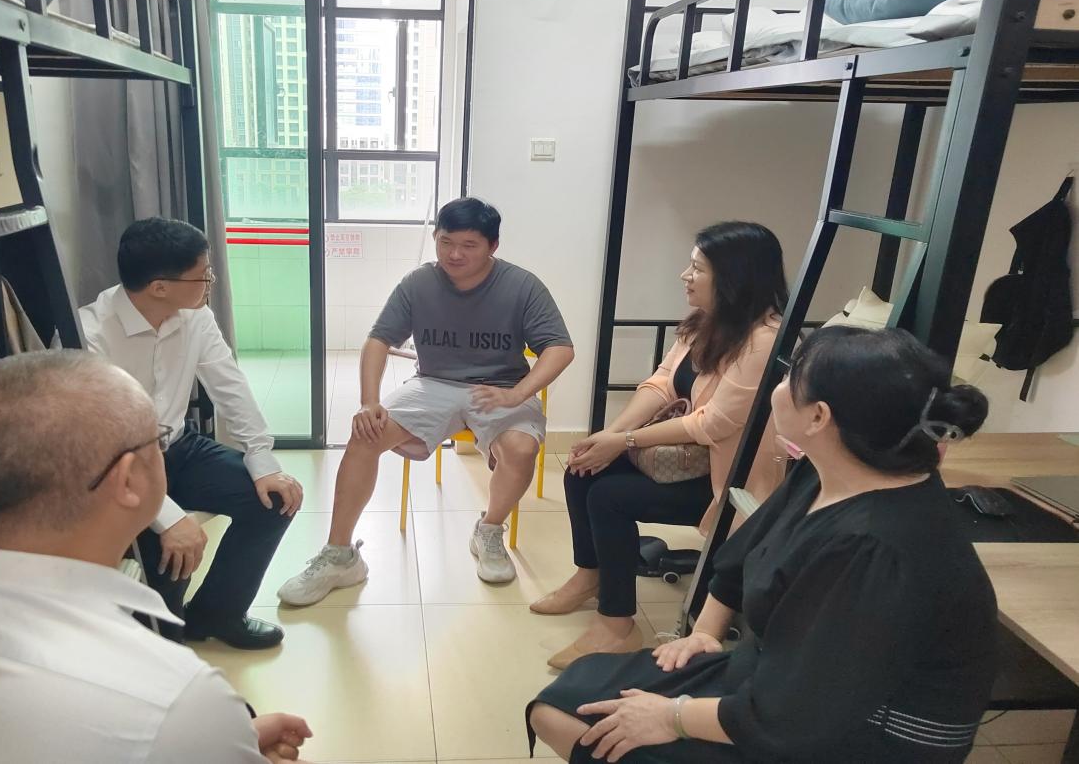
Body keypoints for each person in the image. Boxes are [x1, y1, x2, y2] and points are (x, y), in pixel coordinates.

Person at [527, 326, 997, 764]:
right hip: (778, 685)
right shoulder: (827, 469)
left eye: (790, 379)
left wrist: (672, 716)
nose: (777, 386)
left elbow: (798, 715)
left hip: (850, 735)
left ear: (819, 417)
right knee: (566, 697)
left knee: (575, 720)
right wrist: (705, 633)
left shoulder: (874, 547)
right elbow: (738, 560)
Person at [0, 351, 313, 763]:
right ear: (129, 479)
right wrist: (217, 740)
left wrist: (219, 743)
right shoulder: (174, 697)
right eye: (158, 441)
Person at [278, 197, 574, 604]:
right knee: (366, 433)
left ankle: (489, 530)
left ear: (492, 246)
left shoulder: (522, 285)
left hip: (501, 386)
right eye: (445, 242)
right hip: (433, 383)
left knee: (521, 449)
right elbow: (378, 340)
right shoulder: (419, 283)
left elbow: (559, 348)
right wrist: (368, 401)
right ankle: (340, 556)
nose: (454, 254)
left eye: (469, 245)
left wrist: (518, 393)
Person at [533, 222, 788, 670]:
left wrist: (625, 440)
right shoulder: (705, 323)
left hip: (727, 481)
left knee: (609, 496)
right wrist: (609, 438)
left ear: (734, 277)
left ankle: (617, 627)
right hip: (689, 460)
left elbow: (713, 422)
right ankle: (591, 576)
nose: (685, 276)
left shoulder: (764, 340)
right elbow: (662, 383)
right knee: (582, 470)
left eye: (698, 268)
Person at [81, 217, 302, 649]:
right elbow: (102, 447)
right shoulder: (91, 335)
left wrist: (263, 462)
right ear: (160, 287)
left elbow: (230, 387)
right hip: (121, 469)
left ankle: (217, 616)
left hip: (179, 448)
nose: (210, 282)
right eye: (203, 275)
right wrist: (169, 517)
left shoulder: (195, 317)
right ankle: (167, 632)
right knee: (168, 585)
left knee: (274, 501)